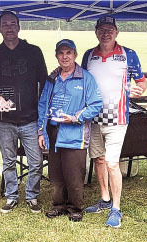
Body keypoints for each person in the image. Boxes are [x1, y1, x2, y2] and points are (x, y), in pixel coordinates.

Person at [81, 16, 147, 228]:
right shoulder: (89, 55)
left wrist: (137, 91)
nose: (106, 33)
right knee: (99, 160)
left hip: (117, 118)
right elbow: (81, 79)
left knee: (111, 163)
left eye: (110, 29)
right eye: (102, 29)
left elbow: (142, 82)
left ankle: (116, 208)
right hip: (93, 119)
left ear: (116, 32)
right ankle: (104, 199)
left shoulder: (128, 54)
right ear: (96, 32)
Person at [0, 11, 48, 213]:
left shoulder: (33, 52)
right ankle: (11, 196)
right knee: (9, 161)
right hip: (5, 120)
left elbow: (44, 82)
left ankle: (32, 196)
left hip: (30, 119)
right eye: (5, 24)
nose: (9, 27)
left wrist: (42, 114)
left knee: (36, 161)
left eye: (13, 24)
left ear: (19, 27)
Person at [38, 39, 103, 222]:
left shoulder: (86, 78)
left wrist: (76, 117)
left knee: (74, 173)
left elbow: (96, 104)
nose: (65, 56)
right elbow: (43, 105)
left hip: (75, 133)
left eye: (68, 53)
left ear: (75, 55)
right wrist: (40, 131)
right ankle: (58, 205)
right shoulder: (52, 78)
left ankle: (75, 207)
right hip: (53, 132)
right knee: (56, 173)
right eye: (61, 53)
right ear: (57, 56)